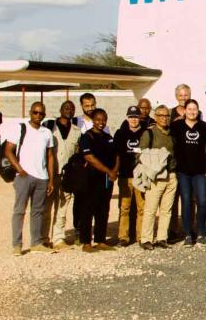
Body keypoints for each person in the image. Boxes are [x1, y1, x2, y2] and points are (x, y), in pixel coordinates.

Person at [2, 102, 56, 256]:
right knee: (19, 211)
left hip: (42, 177)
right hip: (24, 176)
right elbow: (8, 150)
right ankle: (17, 245)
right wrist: (20, 169)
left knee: (38, 211)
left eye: (41, 114)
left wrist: (50, 179)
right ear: (30, 112)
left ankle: (36, 242)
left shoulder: (46, 133)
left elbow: (50, 157)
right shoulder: (20, 128)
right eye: (35, 112)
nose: (38, 116)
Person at [169, 98, 206, 245]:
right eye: (190, 109)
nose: (192, 112)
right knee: (186, 201)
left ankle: (200, 232)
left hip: (200, 170)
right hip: (183, 171)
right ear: (185, 111)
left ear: (198, 111)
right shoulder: (177, 126)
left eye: (195, 109)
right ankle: (187, 233)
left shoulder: (203, 126)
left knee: (201, 201)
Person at [76, 108, 118, 253]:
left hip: (106, 180)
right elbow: (89, 158)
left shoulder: (108, 137)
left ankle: (100, 240)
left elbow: (116, 154)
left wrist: (114, 171)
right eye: (98, 120)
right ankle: (86, 242)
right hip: (91, 178)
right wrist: (108, 170)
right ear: (93, 120)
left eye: (103, 119)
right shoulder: (87, 137)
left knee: (103, 209)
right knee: (87, 210)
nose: (101, 123)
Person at [43, 100, 81, 250]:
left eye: (72, 109)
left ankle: (58, 238)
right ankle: (44, 239)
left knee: (62, 208)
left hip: (67, 176)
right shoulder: (48, 127)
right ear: (60, 109)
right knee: (46, 207)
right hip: (50, 174)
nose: (69, 110)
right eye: (66, 108)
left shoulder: (77, 131)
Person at [137, 105, 176, 250]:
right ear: (155, 117)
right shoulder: (149, 134)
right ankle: (146, 238)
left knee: (166, 209)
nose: (164, 118)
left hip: (171, 175)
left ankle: (161, 238)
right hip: (156, 177)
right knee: (151, 209)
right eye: (161, 115)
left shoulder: (171, 134)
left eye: (166, 116)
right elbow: (140, 153)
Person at [113, 105, 147, 246]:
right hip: (125, 174)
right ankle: (123, 236)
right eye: (131, 117)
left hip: (140, 175)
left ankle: (141, 236)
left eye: (136, 117)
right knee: (124, 207)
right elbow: (116, 154)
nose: (133, 119)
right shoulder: (120, 133)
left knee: (142, 208)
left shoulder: (145, 133)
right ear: (127, 118)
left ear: (140, 118)